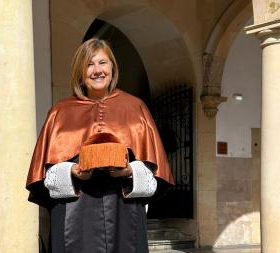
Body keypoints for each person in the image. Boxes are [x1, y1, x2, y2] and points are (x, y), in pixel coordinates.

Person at [26, 38, 174, 253]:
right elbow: (45, 177)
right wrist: (74, 171)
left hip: (124, 211)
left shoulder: (135, 108)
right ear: (80, 72)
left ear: (112, 68)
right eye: (89, 64)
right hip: (75, 213)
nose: (97, 70)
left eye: (102, 63)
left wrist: (129, 170)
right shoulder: (60, 112)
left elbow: (154, 174)